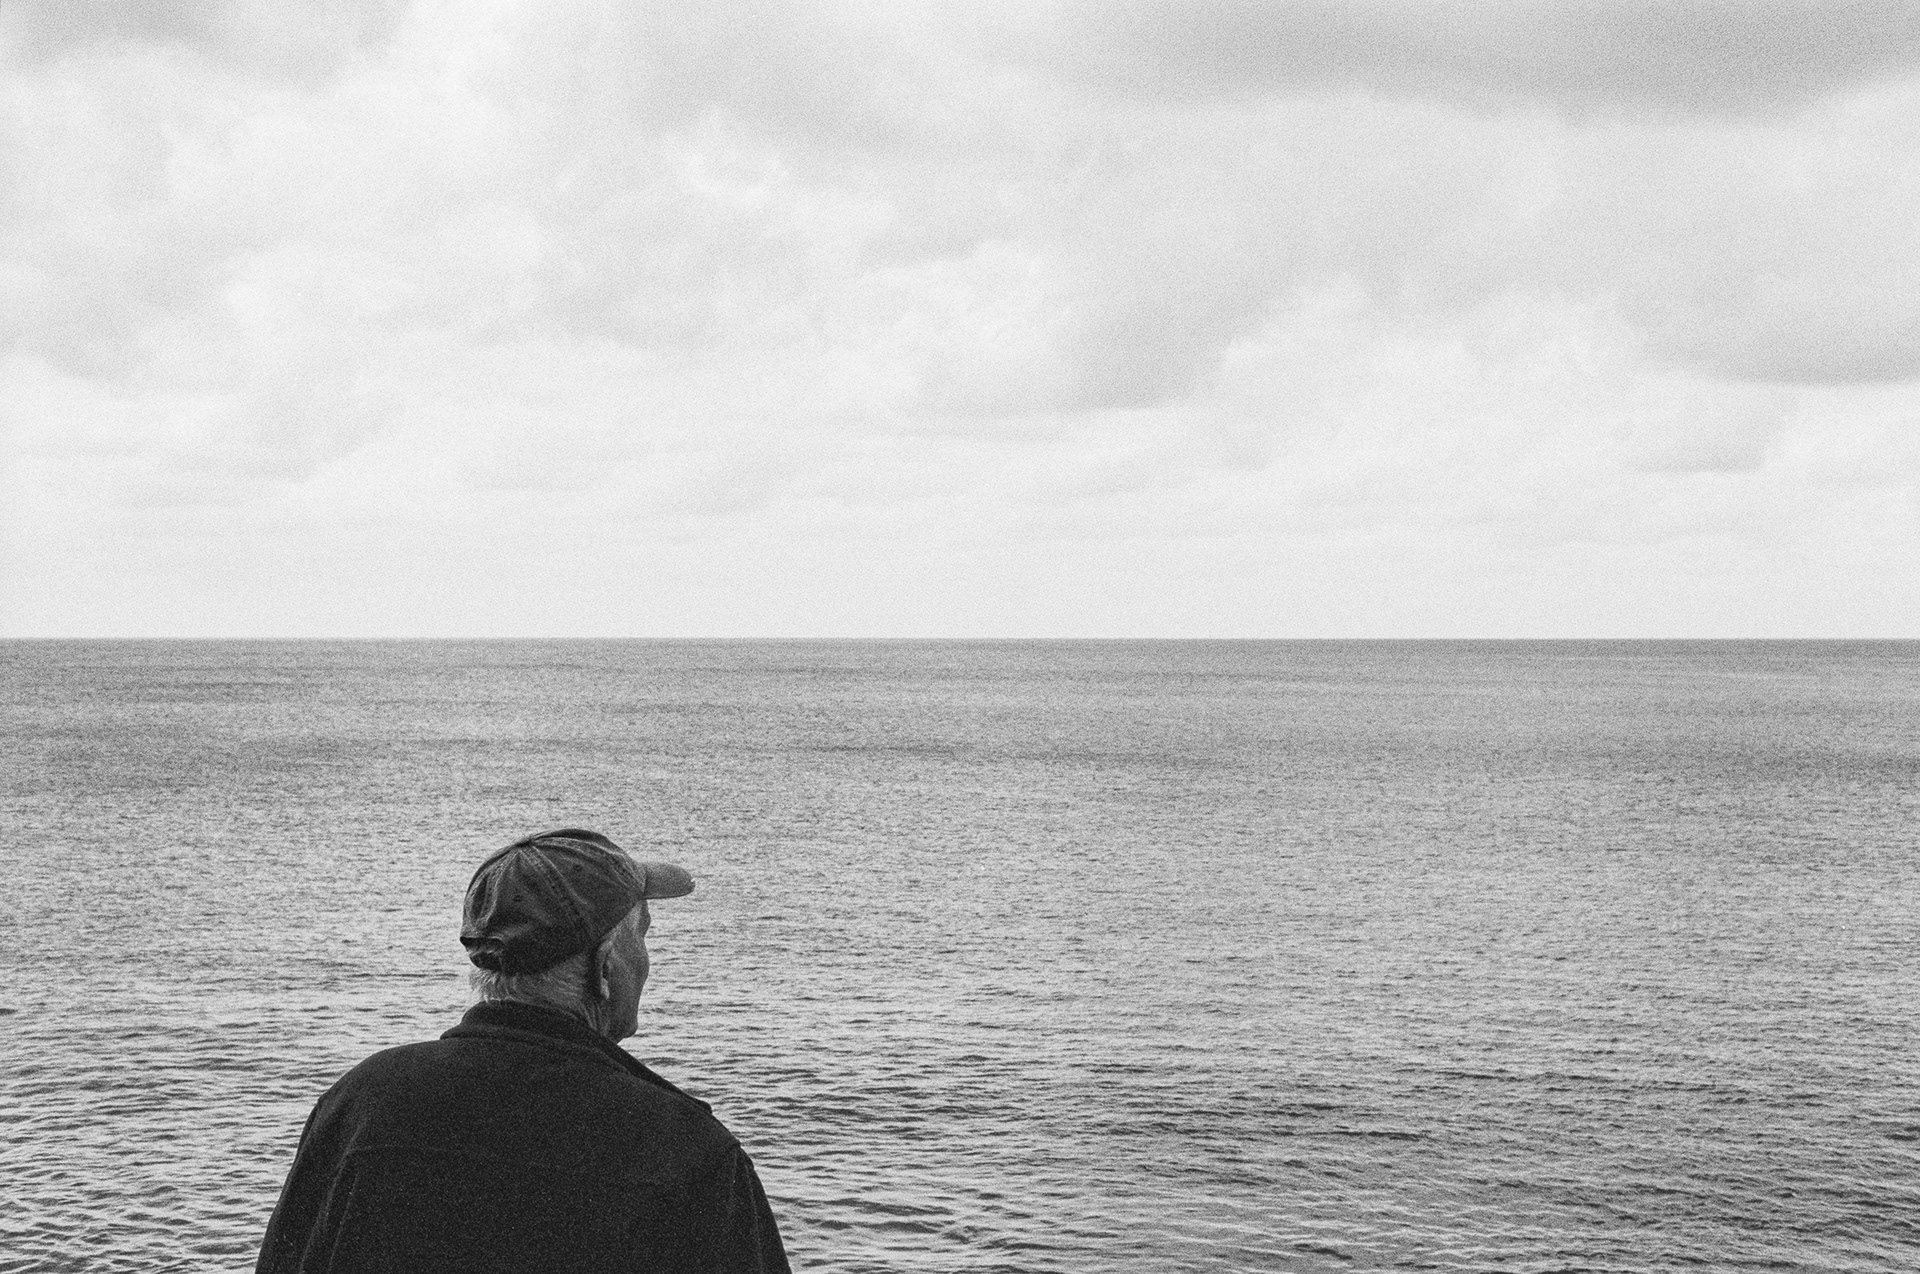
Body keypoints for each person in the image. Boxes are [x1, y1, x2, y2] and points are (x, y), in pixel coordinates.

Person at [256, 828, 791, 1273]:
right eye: (643, 936)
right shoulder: (684, 1151)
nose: (648, 961)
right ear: (605, 967)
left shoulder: (361, 1103)